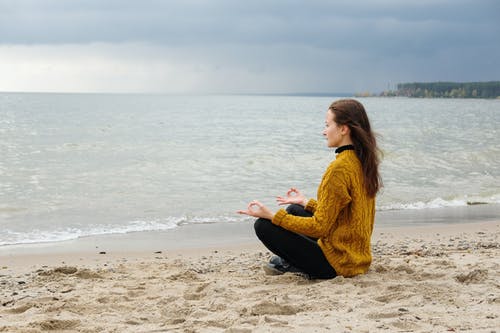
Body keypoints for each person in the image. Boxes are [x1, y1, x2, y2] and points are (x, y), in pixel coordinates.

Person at [237, 99, 382, 279]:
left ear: (344, 129)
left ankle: (294, 265)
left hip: (338, 264)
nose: (324, 131)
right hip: (357, 257)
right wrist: (306, 202)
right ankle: (291, 262)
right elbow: (347, 215)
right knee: (295, 209)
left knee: (264, 226)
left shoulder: (339, 168)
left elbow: (320, 227)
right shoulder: (363, 160)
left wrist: (273, 216)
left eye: (328, 125)